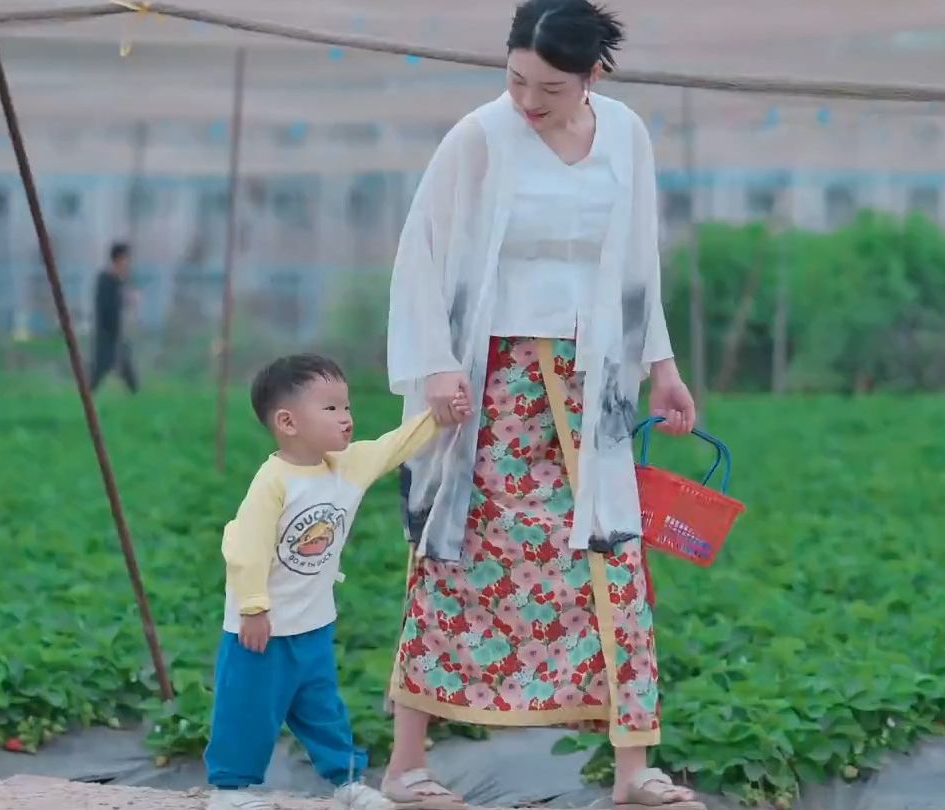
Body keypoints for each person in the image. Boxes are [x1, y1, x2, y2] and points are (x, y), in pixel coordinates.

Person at [383, 1, 702, 808]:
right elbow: (420, 254)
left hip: (592, 380)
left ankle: (634, 771)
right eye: (517, 79)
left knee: (611, 559)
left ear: (592, 76)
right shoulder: (479, 137)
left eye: (550, 88)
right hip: (489, 385)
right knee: (452, 558)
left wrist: (662, 367)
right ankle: (406, 767)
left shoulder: (626, 135)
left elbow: (637, 263)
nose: (528, 101)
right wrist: (433, 368)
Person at [204, 354, 470, 810]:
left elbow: (394, 445)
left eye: (346, 407)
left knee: (324, 709)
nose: (346, 418)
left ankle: (347, 781)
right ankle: (230, 789)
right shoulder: (273, 482)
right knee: (246, 708)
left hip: (312, 623)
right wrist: (252, 607)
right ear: (288, 422)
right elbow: (244, 547)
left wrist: (438, 417)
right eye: (330, 409)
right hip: (260, 628)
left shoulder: (348, 466)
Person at [90, 242, 139, 393]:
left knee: (126, 367)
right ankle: (88, 396)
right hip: (106, 333)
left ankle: (136, 396)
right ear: (118, 259)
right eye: (125, 259)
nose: (127, 263)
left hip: (118, 334)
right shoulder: (105, 280)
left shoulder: (120, 280)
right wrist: (124, 299)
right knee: (100, 368)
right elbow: (106, 307)